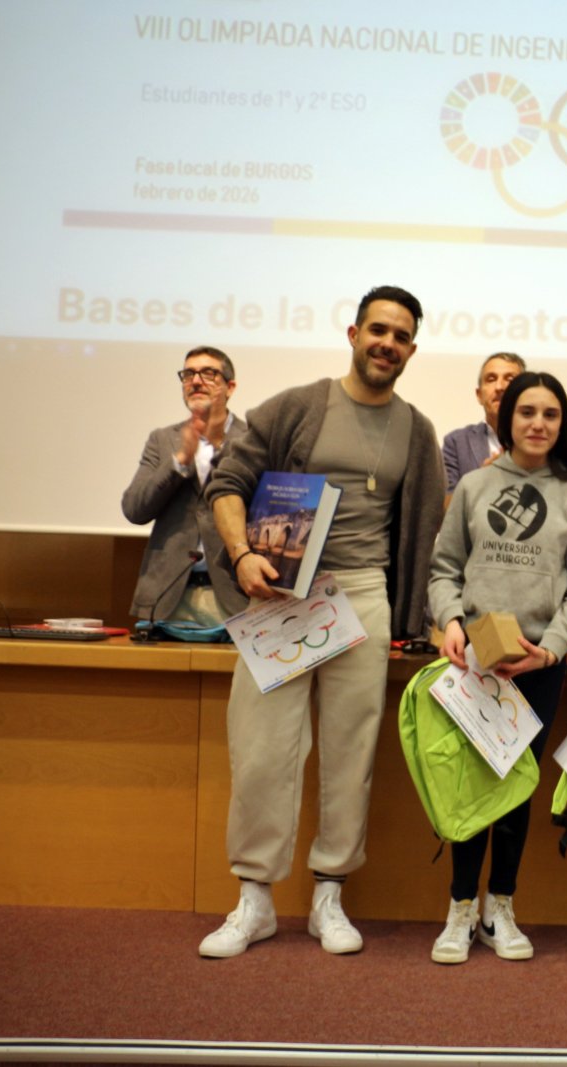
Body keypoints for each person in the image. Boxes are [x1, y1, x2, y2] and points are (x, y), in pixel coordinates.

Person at [198, 285, 445, 959]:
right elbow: (226, 484)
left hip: (362, 597)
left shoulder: (417, 430)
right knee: (261, 750)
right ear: (353, 333)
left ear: (412, 349)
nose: (387, 343)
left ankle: (328, 895)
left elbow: (422, 527)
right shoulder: (296, 406)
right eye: (378, 330)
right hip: (282, 590)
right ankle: (254, 899)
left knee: (349, 754)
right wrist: (245, 554)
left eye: (400, 336)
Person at [428, 371, 567, 965]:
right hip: (476, 658)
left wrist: (554, 647)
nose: (538, 423)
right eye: (527, 412)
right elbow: (443, 570)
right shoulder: (476, 485)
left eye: (551, 414)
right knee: (470, 784)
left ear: (563, 423)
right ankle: (459, 909)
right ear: (507, 419)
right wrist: (451, 621)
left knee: (514, 788)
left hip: (539, 663)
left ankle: (499, 906)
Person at [121, 346, 249, 629]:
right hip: (168, 595)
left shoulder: (253, 440)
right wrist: (180, 461)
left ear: (230, 387)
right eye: (188, 374)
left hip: (235, 594)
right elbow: (134, 509)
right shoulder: (163, 439)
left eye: (208, 373)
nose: (195, 381)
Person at [441, 352, 526, 492]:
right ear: (479, 395)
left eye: (510, 379)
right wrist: (481, 479)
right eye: (491, 379)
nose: (500, 387)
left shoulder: (540, 440)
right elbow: (446, 508)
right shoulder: (456, 442)